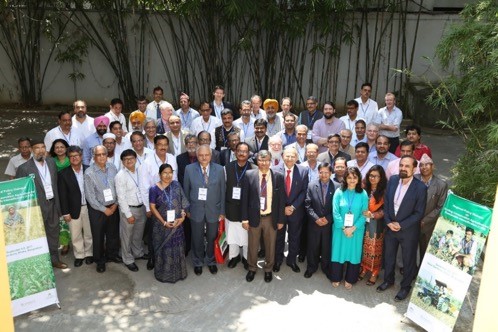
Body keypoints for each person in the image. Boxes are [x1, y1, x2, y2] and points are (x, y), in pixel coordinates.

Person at [377, 155, 427, 301]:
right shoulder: (392, 180)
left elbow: (419, 213)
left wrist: (401, 224)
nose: (403, 168)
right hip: (390, 227)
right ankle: (388, 280)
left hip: (408, 231)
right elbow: (386, 203)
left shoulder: (420, 188)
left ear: (414, 168)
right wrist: (388, 221)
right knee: (389, 256)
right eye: (401, 165)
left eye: (407, 166)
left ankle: (405, 287)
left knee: (408, 260)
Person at [16, 139, 67, 269]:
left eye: (43, 147)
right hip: (36, 208)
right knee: (36, 236)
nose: (40, 150)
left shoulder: (51, 163)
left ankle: (55, 260)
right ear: (32, 150)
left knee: (53, 234)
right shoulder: (24, 168)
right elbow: (20, 192)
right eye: (37, 148)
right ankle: (40, 264)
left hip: (52, 205)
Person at [241, 150, 285, 283]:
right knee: (253, 245)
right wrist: (244, 219)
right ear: (257, 161)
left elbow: (281, 200)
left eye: (266, 160)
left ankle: (268, 269)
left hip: (271, 217)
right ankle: (252, 268)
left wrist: (281, 219)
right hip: (254, 217)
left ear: (270, 161)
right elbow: (244, 199)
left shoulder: (278, 176)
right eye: (261, 160)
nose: (264, 163)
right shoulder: (249, 175)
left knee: (270, 245)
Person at [183, 145, 225, 275]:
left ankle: (211, 260)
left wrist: (222, 211)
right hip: (196, 210)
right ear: (197, 156)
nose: (204, 157)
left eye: (206, 155)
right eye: (201, 155)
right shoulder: (189, 169)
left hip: (214, 209)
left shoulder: (219, 169)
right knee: (197, 237)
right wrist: (187, 209)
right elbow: (186, 190)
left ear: (211, 156)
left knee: (212, 236)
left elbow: (223, 191)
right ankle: (198, 261)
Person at [149, 164, 189, 282]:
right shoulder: (154, 189)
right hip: (161, 226)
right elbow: (152, 208)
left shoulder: (176, 185)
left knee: (177, 247)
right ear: (159, 174)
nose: (168, 175)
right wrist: (164, 223)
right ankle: (164, 274)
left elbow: (183, 202)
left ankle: (179, 274)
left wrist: (182, 217)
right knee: (164, 249)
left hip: (177, 224)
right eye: (165, 173)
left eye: (170, 172)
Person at [272, 147, 309, 273]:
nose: (290, 158)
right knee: (279, 236)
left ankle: (292, 260)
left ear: (297, 158)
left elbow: (304, 192)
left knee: (294, 236)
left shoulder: (303, 171)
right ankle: (278, 260)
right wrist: (282, 208)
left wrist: (292, 207)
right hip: (279, 211)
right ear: (283, 156)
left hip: (296, 211)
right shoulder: (275, 170)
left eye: (293, 156)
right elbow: (273, 193)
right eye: (287, 156)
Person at [84, 145, 120, 273]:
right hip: (98, 210)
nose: (101, 157)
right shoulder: (89, 173)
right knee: (98, 236)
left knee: (113, 233)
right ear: (94, 157)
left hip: (113, 206)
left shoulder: (113, 167)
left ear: (107, 155)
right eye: (98, 155)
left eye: (103, 154)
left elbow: (117, 187)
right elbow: (90, 196)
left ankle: (112, 255)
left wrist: (115, 204)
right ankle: (100, 260)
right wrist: (104, 210)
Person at [331, 167, 368, 289]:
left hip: (356, 230)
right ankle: (336, 277)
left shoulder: (363, 194)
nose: (352, 180)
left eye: (354, 177)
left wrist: (352, 228)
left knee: (354, 253)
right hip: (340, 229)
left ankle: (350, 278)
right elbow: (335, 212)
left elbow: (364, 214)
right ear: (345, 178)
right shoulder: (339, 192)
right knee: (338, 252)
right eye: (349, 177)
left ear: (358, 179)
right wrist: (343, 228)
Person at [58, 146, 93, 267]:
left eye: (76, 155)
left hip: (89, 207)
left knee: (89, 232)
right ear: (68, 158)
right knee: (75, 234)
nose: (74, 158)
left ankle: (89, 253)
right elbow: (62, 195)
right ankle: (79, 255)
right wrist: (65, 213)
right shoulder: (63, 174)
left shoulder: (89, 170)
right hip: (73, 209)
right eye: (71, 156)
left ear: (81, 156)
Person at [224, 142, 257, 269]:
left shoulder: (254, 168)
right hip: (231, 207)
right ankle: (234, 256)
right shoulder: (227, 167)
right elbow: (223, 188)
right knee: (232, 234)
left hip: (247, 209)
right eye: (239, 151)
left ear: (248, 154)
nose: (242, 153)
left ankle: (246, 257)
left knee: (246, 235)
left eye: (245, 151)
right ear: (235, 152)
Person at [115, 149, 149, 272]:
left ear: (135, 159)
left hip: (141, 207)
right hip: (129, 209)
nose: (129, 161)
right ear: (122, 162)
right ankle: (128, 259)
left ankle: (138, 253)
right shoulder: (120, 176)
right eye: (126, 159)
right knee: (126, 236)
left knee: (138, 234)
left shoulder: (140, 171)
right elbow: (121, 197)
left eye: (131, 158)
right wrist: (128, 214)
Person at [416, 154, 448, 262]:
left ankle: (421, 274)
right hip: (411, 222)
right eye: (421, 165)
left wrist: (424, 220)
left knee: (425, 252)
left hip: (428, 225)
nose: (424, 167)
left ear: (432, 166)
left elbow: (440, 207)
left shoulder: (441, 184)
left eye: (427, 165)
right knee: (409, 251)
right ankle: (409, 272)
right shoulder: (414, 179)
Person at [304, 163, 334, 279]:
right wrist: (316, 218)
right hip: (314, 223)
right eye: (321, 172)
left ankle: (326, 268)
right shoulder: (311, 185)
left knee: (326, 247)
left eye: (326, 172)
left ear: (331, 173)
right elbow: (307, 204)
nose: (324, 175)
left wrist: (328, 219)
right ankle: (311, 267)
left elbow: (338, 207)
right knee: (313, 246)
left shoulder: (337, 186)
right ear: (318, 172)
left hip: (328, 223)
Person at [359, 165, 387, 286]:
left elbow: (387, 210)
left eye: (376, 176)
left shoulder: (385, 191)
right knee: (363, 245)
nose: (373, 178)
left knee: (375, 248)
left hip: (377, 224)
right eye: (371, 175)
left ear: (381, 178)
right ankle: (364, 268)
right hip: (363, 222)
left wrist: (374, 215)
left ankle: (375, 272)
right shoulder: (365, 188)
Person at [49, 139, 71, 255]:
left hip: (72, 194)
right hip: (58, 194)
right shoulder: (51, 162)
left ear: (66, 148)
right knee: (62, 221)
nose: (59, 149)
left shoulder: (72, 160)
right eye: (56, 147)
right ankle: (65, 244)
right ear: (53, 150)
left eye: (62, 147)